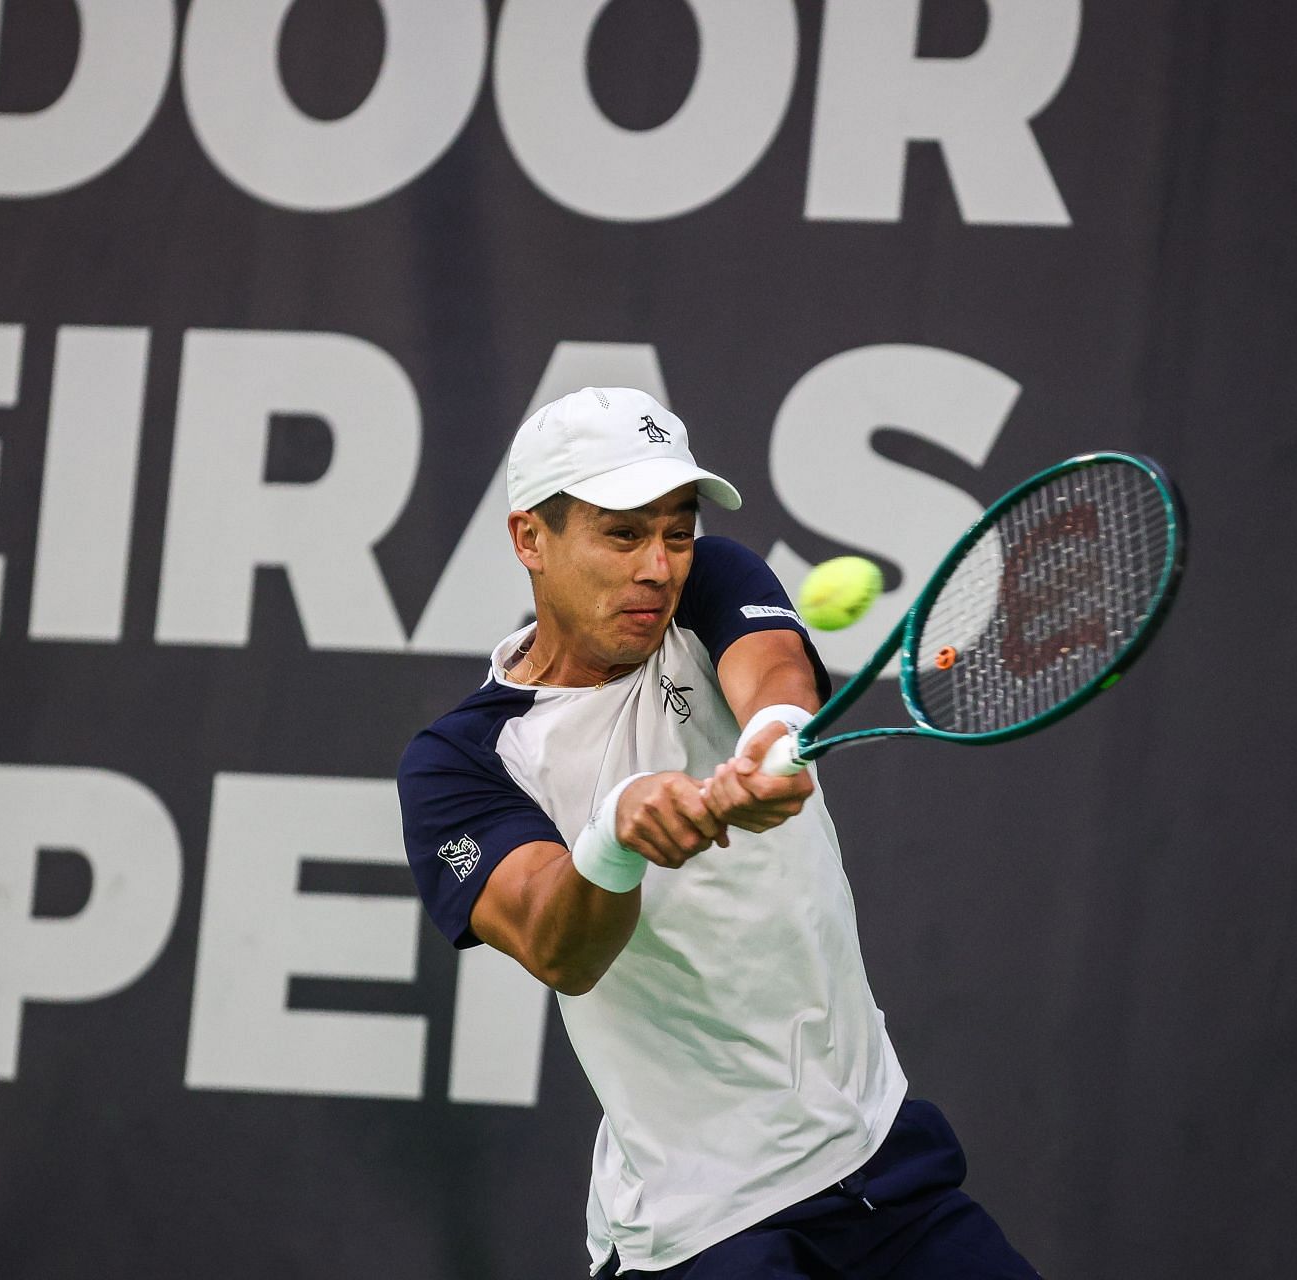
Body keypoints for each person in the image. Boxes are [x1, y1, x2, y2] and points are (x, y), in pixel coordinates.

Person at [397, 388, 1037, 1278]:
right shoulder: (460, 761)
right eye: (623, 534)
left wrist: (774, 741)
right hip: (705, 1229)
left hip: (881, 1164)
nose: (658, 566)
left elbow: (771, 673)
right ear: (529, 540)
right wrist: (617, 836)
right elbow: (559, 948)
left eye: (677, 529)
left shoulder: (709, 584)